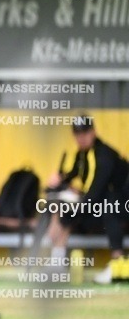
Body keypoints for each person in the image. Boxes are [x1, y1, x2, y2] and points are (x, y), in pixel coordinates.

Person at [44, 116, 129, 284]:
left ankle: (118, 264)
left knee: (109, 204)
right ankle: (57, 263)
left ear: (93, 132)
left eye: (85, 133)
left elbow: (96, 194)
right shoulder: (82, 154)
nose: (81, 138)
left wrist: (72, 209)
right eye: (77, 134)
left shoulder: (104, 155)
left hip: (121, 206)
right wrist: (59, 179)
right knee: (60, 206)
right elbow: (73, 175)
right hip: (99, 207)